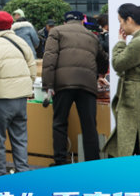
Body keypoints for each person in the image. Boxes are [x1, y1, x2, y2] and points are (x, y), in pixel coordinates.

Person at [42, 11, 109, 165]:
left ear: (65, 22)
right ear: (82, 22)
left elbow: (49, 58)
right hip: (87, 83)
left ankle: (60, 162)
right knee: (89, 126)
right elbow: (103, 59)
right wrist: (100, 74)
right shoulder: (92, 36)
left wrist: (48, 85)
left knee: (60, 123)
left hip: (63, 83)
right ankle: (92, 164)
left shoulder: (56, 31)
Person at [0, 11, 36, 176]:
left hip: (0, 100)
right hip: (20, 99)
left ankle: (0, 176)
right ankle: (22, 173)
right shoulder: (21, 42)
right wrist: (25, 88)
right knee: (20, 139)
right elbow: (32, 69)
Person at [104, 3, 140, 157]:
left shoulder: (138, 42)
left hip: (135, 95)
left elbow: (118, 63)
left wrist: (120, 43)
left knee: (130, 138)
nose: (121, 26)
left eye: (121, 21)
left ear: (129, 20)